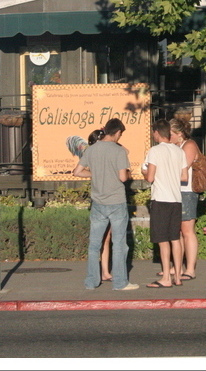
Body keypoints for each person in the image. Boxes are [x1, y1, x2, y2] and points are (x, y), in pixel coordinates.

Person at [72, 118, 138, 291]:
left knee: (94, 245)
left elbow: (77, 172)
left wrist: (95, 174)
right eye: (120, 134)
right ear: (117, 133)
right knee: (119, 244)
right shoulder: (118, 151)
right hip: (116, 201)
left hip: (98, 202)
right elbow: (123, 177)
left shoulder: (91, 150)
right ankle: (120, 282)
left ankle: (92, 281)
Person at [142, 119, 188, 288]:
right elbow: (184, 177)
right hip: (176, 199)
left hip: (161, 199)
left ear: (156, 133)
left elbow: (150, 177)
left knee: (162, 240)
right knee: (175, 238)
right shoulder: (178, 151)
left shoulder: (154, 151)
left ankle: (166, 278)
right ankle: (177, 276)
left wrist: (144, 171)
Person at [168, 117, 199, 282]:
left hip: (186, 191)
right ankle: (177, 266)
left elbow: (183, 169)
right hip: (173, 191)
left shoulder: (189, 145)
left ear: (179, 134)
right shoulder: (174, 146)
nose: (168, 137)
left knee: (187, 230)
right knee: (176, 230)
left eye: (170, 134)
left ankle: (190, 268)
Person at [87, 129, 114, 283]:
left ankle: (104, 271)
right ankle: (97, 273)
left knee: (106, 237)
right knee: (99, 238)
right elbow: (78, 170)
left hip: (108, 198)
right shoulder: (93, 154)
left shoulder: (108, 152)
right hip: (99, 199)